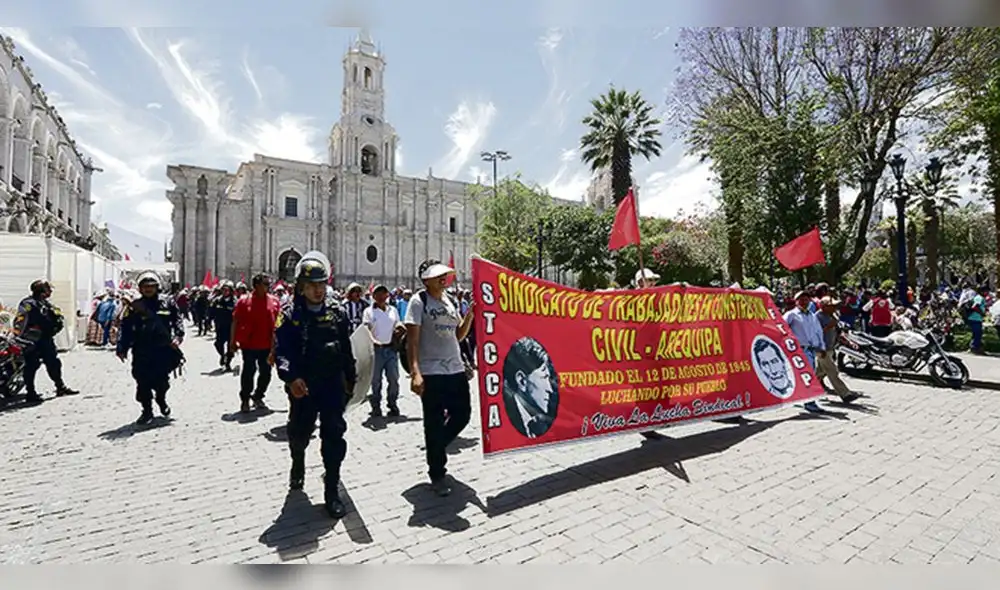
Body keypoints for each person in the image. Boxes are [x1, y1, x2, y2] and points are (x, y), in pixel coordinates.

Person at [274, 251, 357, 519]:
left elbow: (347, 349)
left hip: (332, 386)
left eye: (322, 284)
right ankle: (297, 463)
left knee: (334, 436)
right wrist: (291, 379)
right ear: (301, 287)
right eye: (312, 285)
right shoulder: (288, 316)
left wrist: (351, 380)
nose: (318, 290)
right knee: (299, 434)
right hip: (304, 388)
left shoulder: (338, 313)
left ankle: (331, 490)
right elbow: (282, 353)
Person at [405, 258, 476, 497]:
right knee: (433, 422)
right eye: (438, 276)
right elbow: (412, 341)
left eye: (443, 275)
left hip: (454, 368)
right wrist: (415, 372)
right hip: (431, 371)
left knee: (463, 415)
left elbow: (458, 335)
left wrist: (471, 315)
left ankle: (436, 448)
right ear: (426, 280)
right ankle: (437, 473)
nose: (443, 279)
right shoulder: (418, 301)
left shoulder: (449, 301)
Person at [116, 272, 185, 425]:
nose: (148, 289)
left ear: (157, 287)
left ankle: (161, 399)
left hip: (162, 350)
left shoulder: (168, 303)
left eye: (151, 286)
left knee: (162, 382)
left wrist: (178, 337)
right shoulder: (134, 307)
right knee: (142, 381)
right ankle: (146, 410)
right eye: (145, 287)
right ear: (140, 289)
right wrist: (122, 347)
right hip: (142, 349)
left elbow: (178, 320)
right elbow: (126, 328)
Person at [12, 279, 80, 404]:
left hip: (46, 340)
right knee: (31, 366)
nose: (50, 292)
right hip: (33, 340)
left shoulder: (45, 303)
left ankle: (60, 387)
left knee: (54, 364)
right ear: (42, 291)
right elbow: (22, 320)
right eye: (48, 289)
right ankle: (30, 392)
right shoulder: (28, 303)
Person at [231, 273, 281, 413]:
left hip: (268, 344)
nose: (268, 287)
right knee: (248, 372)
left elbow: (279, 324)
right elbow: (235, 321)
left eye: (268, 284)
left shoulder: (275, 301)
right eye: (265, 284)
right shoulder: (243, 301)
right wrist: (232, 341)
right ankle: (245, 398)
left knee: (266, 373)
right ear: (257, 285)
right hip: (249, 344)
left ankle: (258, 395)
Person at [362, 284, 405, 418]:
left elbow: (397, 323)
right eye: (378, 294)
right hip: (376, 351)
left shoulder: (393, 310)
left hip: (391, 349)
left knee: (393, 379)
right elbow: (366, 328)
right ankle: (376, 406)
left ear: (387, 295)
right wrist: (373, 341)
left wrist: (400, 328)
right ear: (373, 296)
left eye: (384, 293)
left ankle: (392, 404)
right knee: (376, 381)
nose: (381, 296)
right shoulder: (368, 312)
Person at [502, 337, 558, 438]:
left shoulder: (550, 410)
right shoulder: (506, 415)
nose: (550, 389)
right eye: (544, 378)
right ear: (522, 381)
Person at [783, 290, 824, 413]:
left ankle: (805, 399)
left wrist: (821, 346)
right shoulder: (791, 315)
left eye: (806, 299)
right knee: (807, 376)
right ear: (796, 301)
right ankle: (809, 402)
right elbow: (781, 328)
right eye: (801, 299)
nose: (804, 302)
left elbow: (818, 332)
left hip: (811, 350)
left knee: (808, 375)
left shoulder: (812, 316)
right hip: (798, 350)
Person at [815, 296, 860, 404]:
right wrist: (828, 327)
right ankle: (845, 394)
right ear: (824, 307)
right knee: (832, 371)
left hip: (831, 347)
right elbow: (815, 333)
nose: (835, 308)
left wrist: (849, 342)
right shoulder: (817, 317)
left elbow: (838, 331)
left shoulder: (834, 316)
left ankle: (805, 387)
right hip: (822, 348)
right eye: (832, 306)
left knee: (820, 372)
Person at [212, 281, 237, 371]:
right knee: (218, 344)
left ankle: (228, 362)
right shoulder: (217, 300)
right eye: (223, 290)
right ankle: (223, 356)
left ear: (231, 291)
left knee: (231, 347)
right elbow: (211, 311)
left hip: (231, 328)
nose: (225, 292)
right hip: (220, 327)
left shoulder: (235, 302)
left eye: (227, 290)